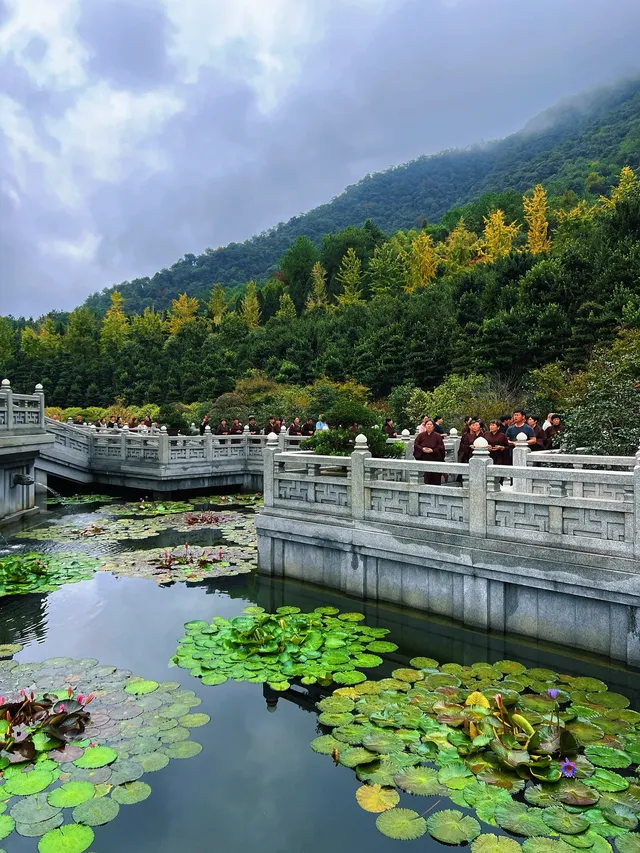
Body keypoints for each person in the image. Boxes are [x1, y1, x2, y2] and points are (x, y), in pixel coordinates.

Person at [413, 418, 445, 485]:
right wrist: (422, 449)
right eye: (427, 424)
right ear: (425, 426)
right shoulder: (421, 435)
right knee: (426, 478)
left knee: (435, 479)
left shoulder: (437, 436)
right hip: (424, 458)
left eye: (431, 424)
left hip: (435, 459)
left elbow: (441, 447)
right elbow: (416, 445)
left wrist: (433, 450)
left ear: (433, 426)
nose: (429, 426)